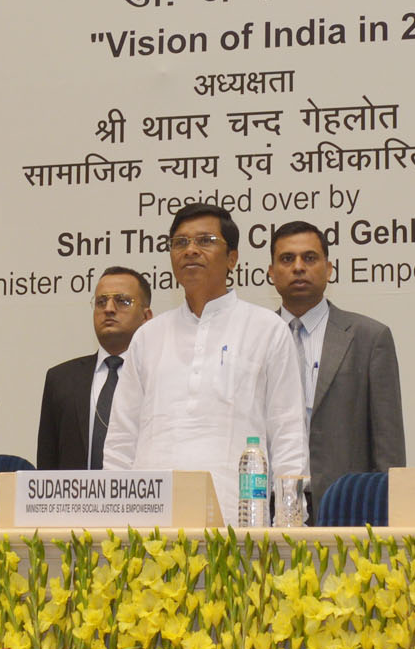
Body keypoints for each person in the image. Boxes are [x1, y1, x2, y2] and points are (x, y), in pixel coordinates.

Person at [102, 205, 307, 520]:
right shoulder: (148, 336)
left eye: (205, 240)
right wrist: (112, 521)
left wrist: (287, 526)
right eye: (180, 243)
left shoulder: (266, 329)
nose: (191, 250)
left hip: (234, 522)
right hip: (147, 523)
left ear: (232, 259)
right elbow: (121, 440)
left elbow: (287, 433)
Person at [266, 221, 406, 504]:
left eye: (310, 258)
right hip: (266, 504)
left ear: (329, 269)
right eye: (286, 259)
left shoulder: (369, 338)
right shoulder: (254, 338)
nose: (298, 267)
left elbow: (387, 446)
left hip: (345, 507)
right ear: (271, 273)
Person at [36, 266, 153, 470]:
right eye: (101, 302)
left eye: (122, 301)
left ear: (146, 317)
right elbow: (48, 465)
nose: (108, 308)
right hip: (73, 501)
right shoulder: (61, 378)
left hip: (141, 498)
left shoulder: (159, 375)